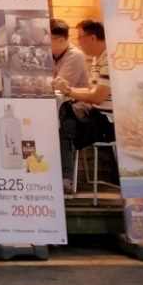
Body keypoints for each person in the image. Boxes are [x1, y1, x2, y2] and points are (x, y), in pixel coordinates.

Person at [55, 18, 113, 175]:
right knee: (63, 117)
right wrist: (69, 90)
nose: (78, 42)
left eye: (80, 38)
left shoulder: (109, 60)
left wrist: (68, 92)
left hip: (109, 120)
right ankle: (65, 175)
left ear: (93, 38)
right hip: (97, 114)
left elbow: (98, 97)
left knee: (64, 122)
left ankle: (66, 176)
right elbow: (91, 89)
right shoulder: (97, 59)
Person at [50, 18, 89, 91]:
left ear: (61, 40)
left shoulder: (75, 56)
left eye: (47, 39)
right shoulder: (53, 54)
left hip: (74, 98)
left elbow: (58, 87)